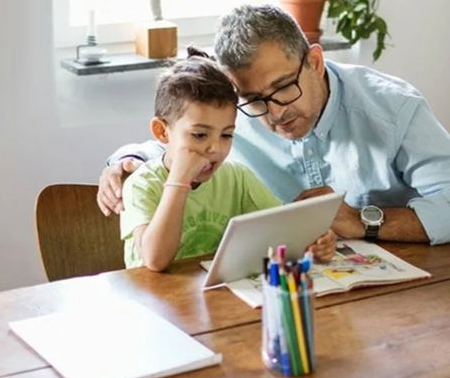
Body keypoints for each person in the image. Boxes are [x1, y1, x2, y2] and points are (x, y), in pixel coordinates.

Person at [101, 4, 450, 246]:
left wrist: (362, 221)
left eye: (283, 88)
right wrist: (125, 159)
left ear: (314, 62)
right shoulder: (238, 111)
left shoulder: (391, 107)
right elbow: (178, 143)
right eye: (254, 99)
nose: (274, 112)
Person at [121, 50, 336, 271]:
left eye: (226, 135)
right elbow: (155, 260)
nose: (215, 148)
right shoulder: (141, 185)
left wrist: (314, 241)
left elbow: (285, 230)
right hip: (151, 300)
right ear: (162, 131)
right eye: (200, 135)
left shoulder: (237, 178)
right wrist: (179, 181)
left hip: (213, 298)